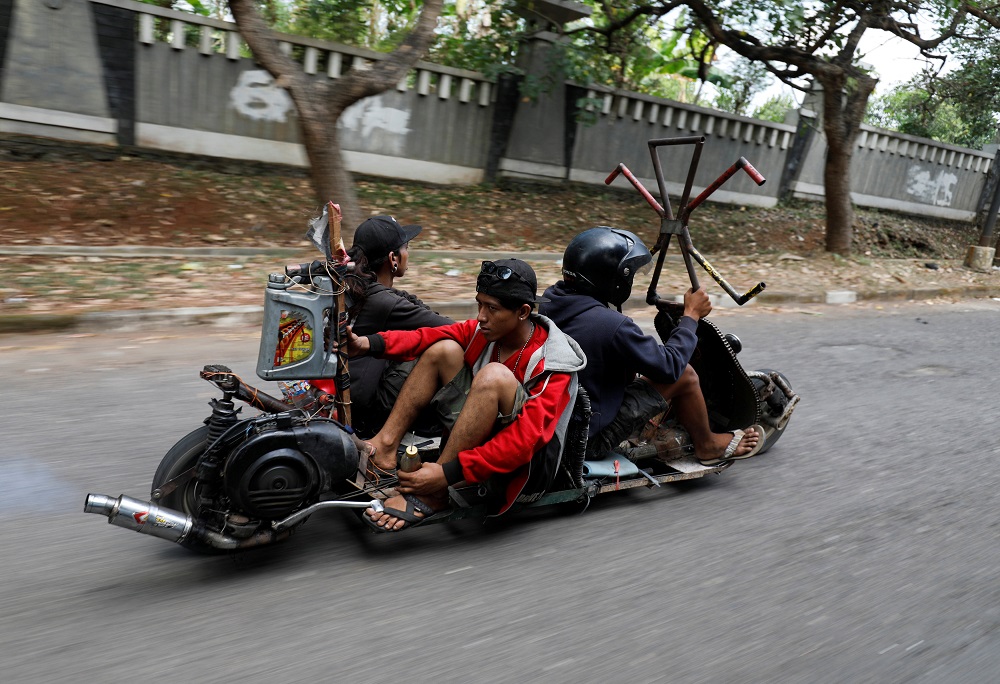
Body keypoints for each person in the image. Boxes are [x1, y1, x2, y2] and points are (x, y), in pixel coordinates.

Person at [343, 258, 587, 533]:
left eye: (492, 308)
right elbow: (425, 337)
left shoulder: (553, 362)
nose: (481, 316)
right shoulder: (483, 332)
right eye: (479, 304)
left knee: (493, 376)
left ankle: (433, 493)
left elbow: (524, 442)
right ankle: (384, 448)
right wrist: (365, 344)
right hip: (482, 447)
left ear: (523, 312)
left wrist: (446, 474)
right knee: (442, 349)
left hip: (526, 471)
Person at [540, 226, 761, 466]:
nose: (630, 281)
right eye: (628, 276)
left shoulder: (551, 300)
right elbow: (670, 367)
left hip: (557, 425)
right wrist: (691, 316)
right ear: (610, 279)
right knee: (685, 374)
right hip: (588, 440)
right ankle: (707, 444)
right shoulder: (612, 326)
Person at [314, 215, 452, 443]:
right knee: (442, 350)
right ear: (393, 258)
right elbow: (448, 327)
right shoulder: (384, 303)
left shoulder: (353, 284)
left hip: (349, 393)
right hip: (368, 409)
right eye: (406, 248)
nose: (409, 254)